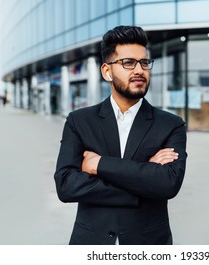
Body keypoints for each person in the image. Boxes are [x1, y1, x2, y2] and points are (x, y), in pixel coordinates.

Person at [54, 25, 187, 245]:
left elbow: (167, 184)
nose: (139, 70)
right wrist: (143, 180)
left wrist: (99, 165)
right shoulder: (79, 121)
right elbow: (66, 185)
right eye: (128, 63)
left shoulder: (171, 124)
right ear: (107, 71)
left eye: (144, 63)